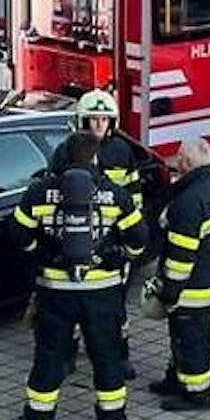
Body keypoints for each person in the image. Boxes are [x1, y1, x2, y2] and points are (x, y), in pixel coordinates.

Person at [13, 132, 148, 420]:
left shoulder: (39, 192)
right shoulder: (114, 194)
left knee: (50, 354)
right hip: (102, 291)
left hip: (55, 290)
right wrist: (120, 258)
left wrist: (42, 253)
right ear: (95, 158)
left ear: (63, 158)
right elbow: (139, 238)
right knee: (106, 355)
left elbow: (18, 234)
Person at [49, 88, 142, 378]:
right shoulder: (65, 152)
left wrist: (127, 240)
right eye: (93, 119)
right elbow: (53, 197)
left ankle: (120, 357)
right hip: (74, 238)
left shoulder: (122, 152)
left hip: (110, 241)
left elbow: (133, 196)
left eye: (104, 119)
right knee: (68, 306)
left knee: (115, 307)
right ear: (82, 121)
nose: (99, 125)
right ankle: (67, 357)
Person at [144, 138, 210, 412]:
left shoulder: (188, 202)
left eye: (179, 158)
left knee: (191, 341)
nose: (175, 162)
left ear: (187, 163)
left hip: (193, 290)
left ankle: (196, 395)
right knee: (181, 336)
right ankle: (176, 379)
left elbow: (180, 259)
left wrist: (169, 293)